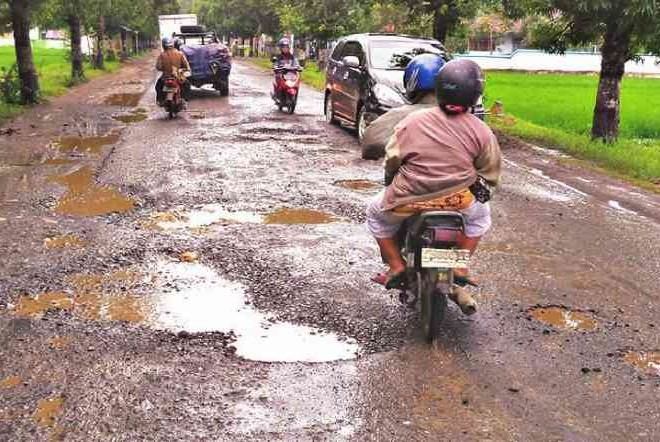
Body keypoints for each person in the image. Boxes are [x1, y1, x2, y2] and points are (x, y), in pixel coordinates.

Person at [365, 59, 502, 290]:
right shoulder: (481, 130)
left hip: (409, 198)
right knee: (481, 217)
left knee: (374, 214)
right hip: (458, 200)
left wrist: (390, 178)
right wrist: (481, 186)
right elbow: (490, 171)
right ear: (476, 94)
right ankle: (460, 265)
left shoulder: (412, 121)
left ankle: (396, 265)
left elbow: (393, 158)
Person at [362, 53, 445, 160]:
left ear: (411, 80)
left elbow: (370, 143)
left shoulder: (401, 115)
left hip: (410, 175)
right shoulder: (468, 120)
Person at [155, 37, 191, 104]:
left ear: (163, 45)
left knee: (158, 85)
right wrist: (183, 69)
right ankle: (185, 100)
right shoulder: (180, 54)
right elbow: (186, 66)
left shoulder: (161, 55)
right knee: (187, 84)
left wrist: (164, 69)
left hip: (165, 77)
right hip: (178, 76)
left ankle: (159, 100)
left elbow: (158, 67)